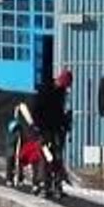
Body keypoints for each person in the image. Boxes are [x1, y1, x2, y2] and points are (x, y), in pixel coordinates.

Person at [30, 69, 73, 197]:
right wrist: (38, 126)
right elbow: (36, 109)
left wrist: (65, 122)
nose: (66, 88)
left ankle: (56, 185)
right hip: (45, 129)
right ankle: (45, 184)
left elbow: (59, 113)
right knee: (46, 156)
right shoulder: (46, 90)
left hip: (56, 129)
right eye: (66, 84)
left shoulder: (60, 93)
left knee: (57, 157)